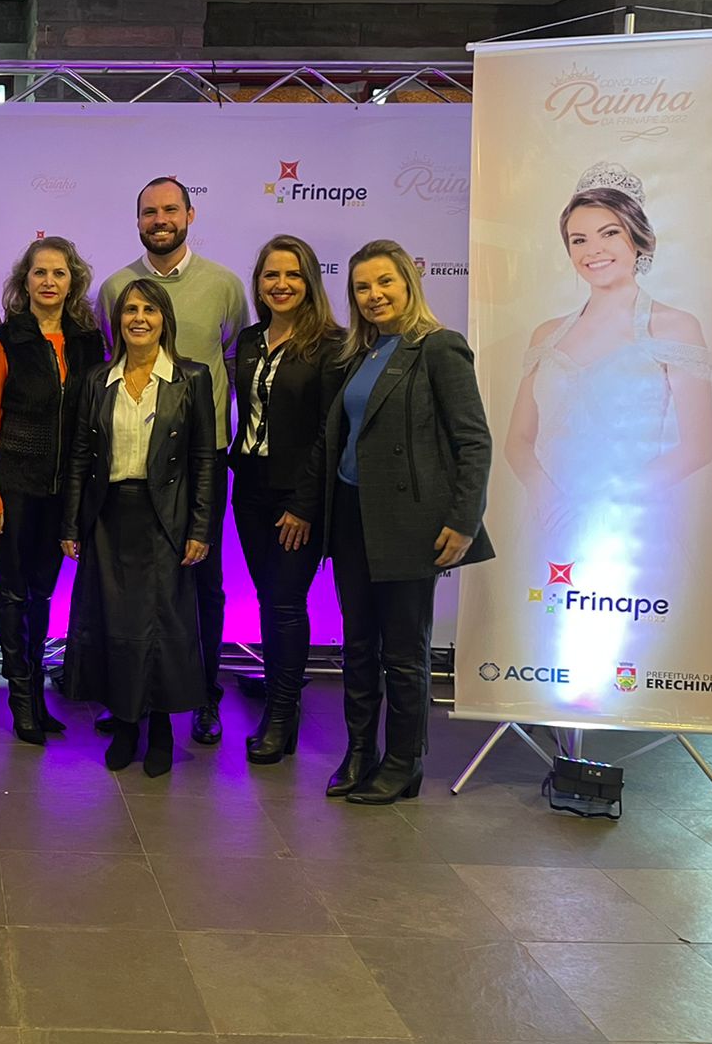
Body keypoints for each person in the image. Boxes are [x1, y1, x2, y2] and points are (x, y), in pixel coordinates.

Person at [285, 240, 494, 804]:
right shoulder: (361, 352)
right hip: (351, 515)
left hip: (408, 522)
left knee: (403, 651)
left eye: (384, 283)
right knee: (358, 644)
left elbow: (473, 441)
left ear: (408, 283)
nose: (373, 295)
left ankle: (403, 762)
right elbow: (338, 438)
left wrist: (464, 520)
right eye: (362, 287)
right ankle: (359, 753)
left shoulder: (439, 347)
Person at [98, 177, 248, 746]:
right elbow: (113, 364)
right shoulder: (115, 287)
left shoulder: (225, 285)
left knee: (201, 581)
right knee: (129, 588)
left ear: (189, 215)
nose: (159, 220)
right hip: (132, 463)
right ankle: (129, 697)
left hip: (200, 459)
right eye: (149, 212)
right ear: (137, 220)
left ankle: (204, 697)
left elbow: (232, 363)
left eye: (169, 210)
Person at [506, 162, 712, 545]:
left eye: (610, 233)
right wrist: (547, 495)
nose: (593, 250)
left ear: (637, 237)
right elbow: (518, 439)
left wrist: (605, 504)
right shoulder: (546, 335)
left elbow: (697, 447)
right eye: (579, 239)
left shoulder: (675, 326)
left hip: (629, 527)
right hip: (548, 520)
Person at [60, 279, 215, 776]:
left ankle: (162, 729)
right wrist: (71, 523)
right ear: (118, 320)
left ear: (164, 318)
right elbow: (80, 456)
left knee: (163, 627)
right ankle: (126, 725)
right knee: (115, 625)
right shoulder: (96, 380)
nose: (139, 318)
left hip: (164, 519)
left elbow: (204, 459)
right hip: (108, 517)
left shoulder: (192, 378)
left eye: (149, 309)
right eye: (130, 310)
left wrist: (201, 527)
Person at [0, 235, 106, 745]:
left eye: (59, 273)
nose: (49, 281)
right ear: (24, 282)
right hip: (13, 487)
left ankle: (38, 693)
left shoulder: (89, 341)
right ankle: (20, 696)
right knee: (14, 591)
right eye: (40, 272)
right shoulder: (6, 339)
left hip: (64, 490)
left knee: (44, 592)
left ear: (73, 282)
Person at [229, 235, 345, 765]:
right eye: (271, 275)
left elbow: (329, 431)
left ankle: (281, 715)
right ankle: (278, 702)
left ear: (310, 282)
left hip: (298, 496)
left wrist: (303, 504)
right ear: (258, 284)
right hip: (250, 487)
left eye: (292, 275)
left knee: (285, 601)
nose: (281, 284)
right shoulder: (250, 339)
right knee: (267, 598)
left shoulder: (330, 345)